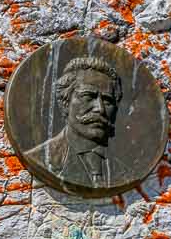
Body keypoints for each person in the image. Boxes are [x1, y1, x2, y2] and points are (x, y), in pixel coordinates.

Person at [40, 44, 125, 189]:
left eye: (107, 100)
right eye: (88, 96)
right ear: (65, 103)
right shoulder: (42, 157)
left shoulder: (125, 171)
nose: (100, 109)